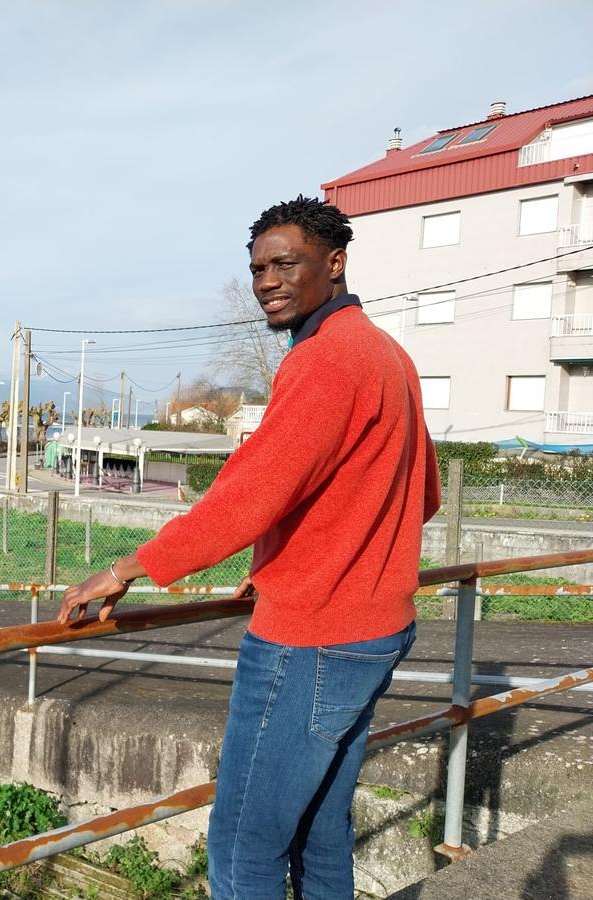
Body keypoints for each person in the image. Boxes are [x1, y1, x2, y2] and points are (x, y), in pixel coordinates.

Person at [56, 196, 440, 899]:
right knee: (321, 831)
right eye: (258, 266)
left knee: (242, 845)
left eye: (285, 263)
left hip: (313, 637)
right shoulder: (389, 355)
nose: (267, 279)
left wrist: (122, 570)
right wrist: (284, 562)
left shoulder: (324, 362)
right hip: (378, 627)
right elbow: (421, 494)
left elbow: (247, 498)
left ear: (335, 262)